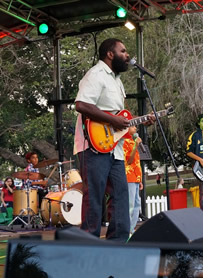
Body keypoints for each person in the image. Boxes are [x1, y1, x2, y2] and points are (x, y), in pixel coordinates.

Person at [73, 38, 132, 241]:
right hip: (93, 147)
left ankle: (118, 243)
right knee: (95, 196)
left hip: (114, 148)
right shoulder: (96, 74)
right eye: (123, 51)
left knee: (120, 195)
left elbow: (117, 117)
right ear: (110, 54)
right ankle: (89, 244)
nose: (127, 55)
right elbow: (81, 104)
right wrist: (113, 120)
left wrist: (129, 123)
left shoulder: (116, 80)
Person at [123, 126, 143, 234]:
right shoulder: (125, 142)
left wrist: (140, 180)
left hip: (135, 178)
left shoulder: (132, 141)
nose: (135, 129)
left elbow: (136, 163)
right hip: (128, 177)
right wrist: (136, 145)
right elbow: (129, 161)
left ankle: (131, 228)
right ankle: (127, 230)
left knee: (137, 204)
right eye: (133, 126)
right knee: (130, 205)